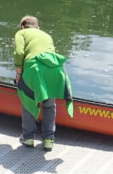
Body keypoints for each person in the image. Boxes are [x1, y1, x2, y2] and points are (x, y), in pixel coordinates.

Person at [13, 16, 73, 151]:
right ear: (38, 27)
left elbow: (19, 52)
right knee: (49, 105)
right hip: (55, 70)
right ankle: (48, 140)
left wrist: (18, 73)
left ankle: (28, 138)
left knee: (28, 100)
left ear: (22, 26)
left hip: (34, 67)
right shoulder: (46, 35)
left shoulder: (21, 33)